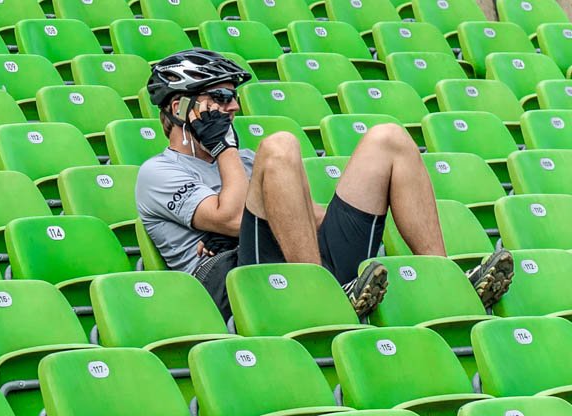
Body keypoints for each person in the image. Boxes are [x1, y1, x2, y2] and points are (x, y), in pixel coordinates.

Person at [135, 48, 512, 317]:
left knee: (389, 138)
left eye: (233, 97)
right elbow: (233, 217)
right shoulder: (159, 172)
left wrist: (358, 214)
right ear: (179, 107)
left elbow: (300, 218)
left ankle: (445, 282)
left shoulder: (247, 160)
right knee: (280, 144)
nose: (234, 106)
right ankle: (321, 294)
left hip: (291, 258)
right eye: (220, 97)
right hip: (239, 285)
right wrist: (224, 150)